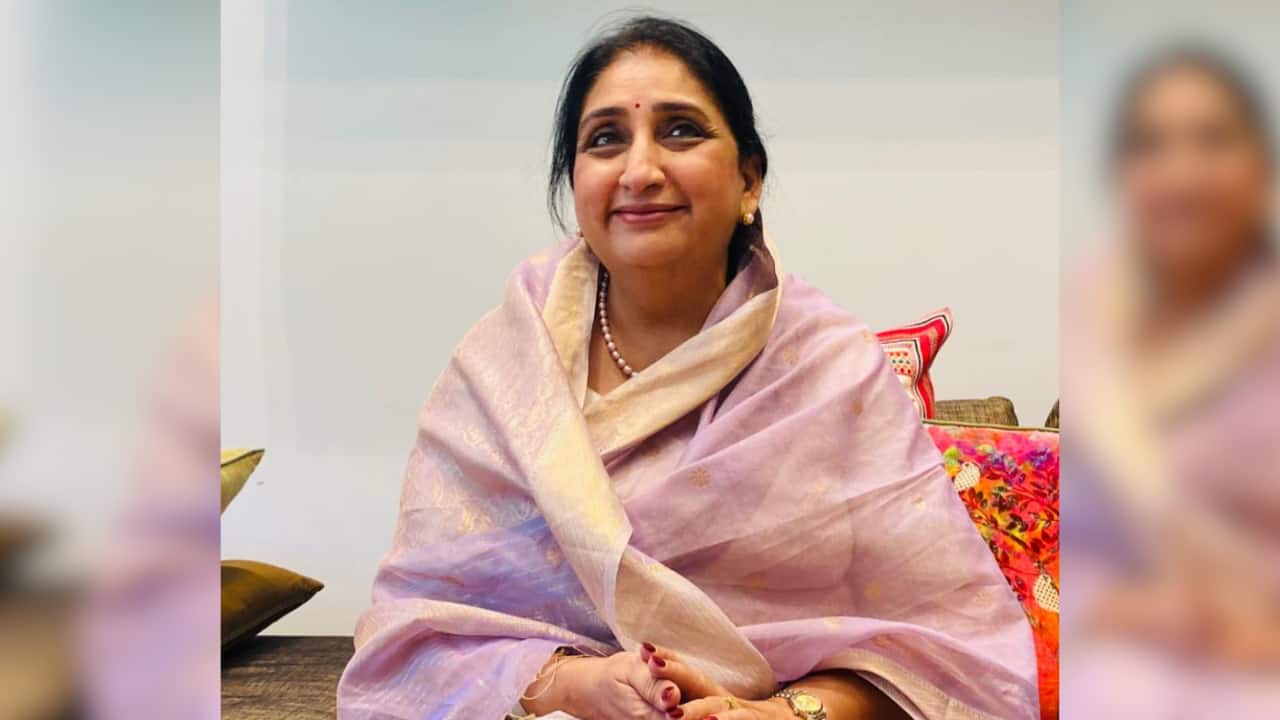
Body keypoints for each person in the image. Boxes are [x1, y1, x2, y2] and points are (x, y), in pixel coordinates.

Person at [338, 16, 1036, 720]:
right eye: (605, 139)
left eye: (680, 131)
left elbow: (950, 655)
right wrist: (576, 684)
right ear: (574, 183)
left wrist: (784, 713)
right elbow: (414, 632)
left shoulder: (831, 371)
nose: (640, 171)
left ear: (749, 180)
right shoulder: (500, 368)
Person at [1062, 44, 1280, 718]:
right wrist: (1122, 609)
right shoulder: (1089, 321)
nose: (1181, 173)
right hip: (1114, 666)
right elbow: (1059, 551)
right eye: (1151, 145)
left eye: (1212, 140)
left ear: (1262, 168)